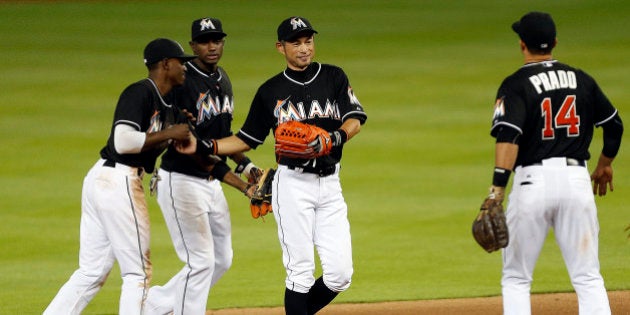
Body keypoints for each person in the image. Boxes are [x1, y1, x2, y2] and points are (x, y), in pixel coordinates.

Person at [176, 16, 367, 315]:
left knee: (340, 275)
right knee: (300, 273)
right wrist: (207, 145)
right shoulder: (270, 91)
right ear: (281, 47)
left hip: (331, 186)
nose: (304, 48)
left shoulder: (334, 77)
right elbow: (244, 139)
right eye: (295, 42)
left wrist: (335, 137)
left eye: (308, 41)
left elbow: (355, 120)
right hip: (293, 186)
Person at [43, 38, 196, 314]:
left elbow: (159, 137)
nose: (184, 66)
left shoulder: (167, 104)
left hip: (104, 181)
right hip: (118, 182)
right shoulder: (139, 92)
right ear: (165, 64)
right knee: (138, 273)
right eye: (180, 62)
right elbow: (122, 141)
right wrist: (169, 133)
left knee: (91, 272)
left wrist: (174, 128)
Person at [487, 11, 623, 315]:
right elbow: (615, 126)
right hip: (577, 183)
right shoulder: (581, 79)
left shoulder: (516, 84)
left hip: (532, 184)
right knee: (588, 277)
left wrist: (496, 190)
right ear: (555, 43)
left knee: (517, 278)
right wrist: (604, 165)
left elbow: (508, 136)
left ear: (522, 44)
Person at [144, 17, 260, 315]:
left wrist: (248, 168)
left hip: (209, 183)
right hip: (181, 180)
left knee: (221, 259)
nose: (212, 46)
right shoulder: (183, 84)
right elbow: (193, 150)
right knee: (201, 261)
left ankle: (154, 305)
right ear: (193, 45)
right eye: (205, 41)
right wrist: (242, 186)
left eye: (217, 40)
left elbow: (221, 138)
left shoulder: (223, 78)